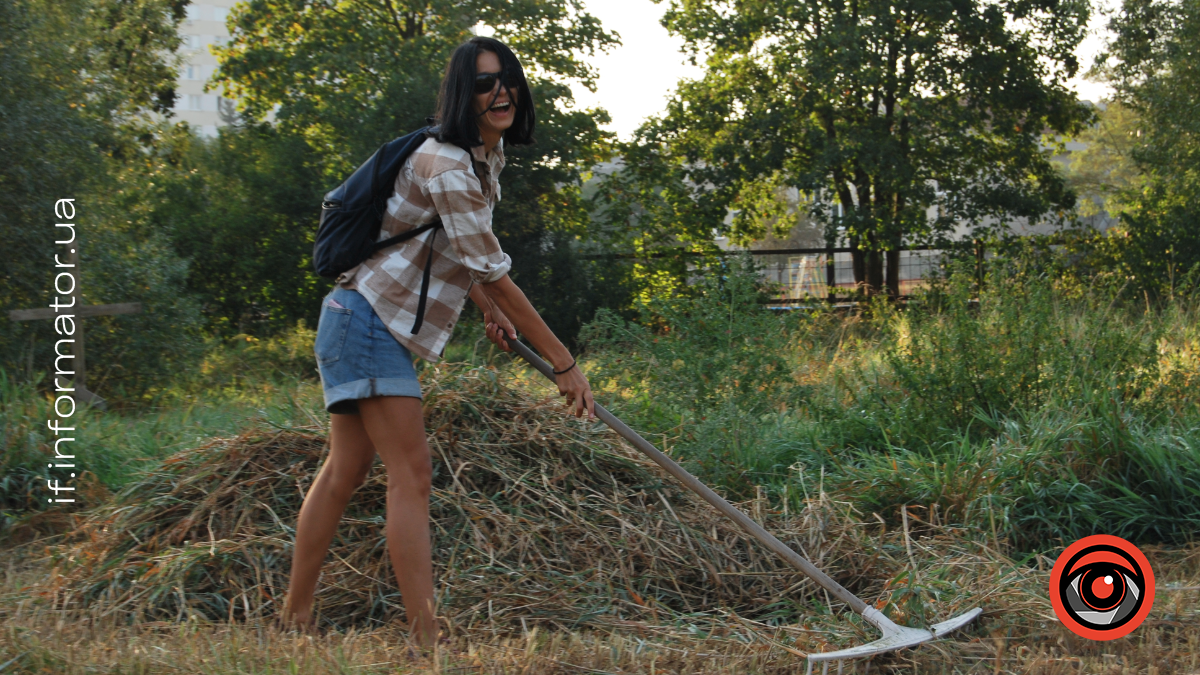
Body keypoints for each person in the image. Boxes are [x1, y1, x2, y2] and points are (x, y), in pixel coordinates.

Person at [281, 36, 596, 647]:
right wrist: (563, 362)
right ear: (462, 93)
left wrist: (481, 307)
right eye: (483, 82)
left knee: (345, 470)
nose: (499, 90)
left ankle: (296, 617)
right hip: (367, 321)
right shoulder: (449, 163)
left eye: (507, 77)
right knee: (413, 474)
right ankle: (425, 636)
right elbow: (494, 271)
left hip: (360, 319)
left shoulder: (483, 158)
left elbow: (444, 247)